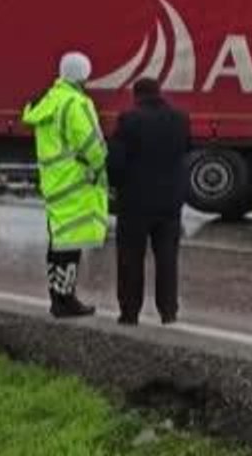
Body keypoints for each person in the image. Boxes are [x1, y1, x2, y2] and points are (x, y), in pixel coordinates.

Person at [21, 52, 109, 318]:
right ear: (83, 74)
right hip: (75, 182)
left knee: (58, 243)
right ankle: (65, 301)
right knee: (71, 245)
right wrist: (101, 168)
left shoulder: (49, 100)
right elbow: (92, 144)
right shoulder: (76, 103)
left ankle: (57, 297)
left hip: (54, 182)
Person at [106, 77, 191, 325]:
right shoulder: (180, 118)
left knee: (131, 258)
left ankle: (130, 312)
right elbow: (186, 149)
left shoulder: (129, 120)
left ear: (137, 95)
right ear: (159, 92)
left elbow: (116, 161)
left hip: (135, 201)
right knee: (167, 258)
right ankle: (169, 311)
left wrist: (115, 186)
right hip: (170, 201)